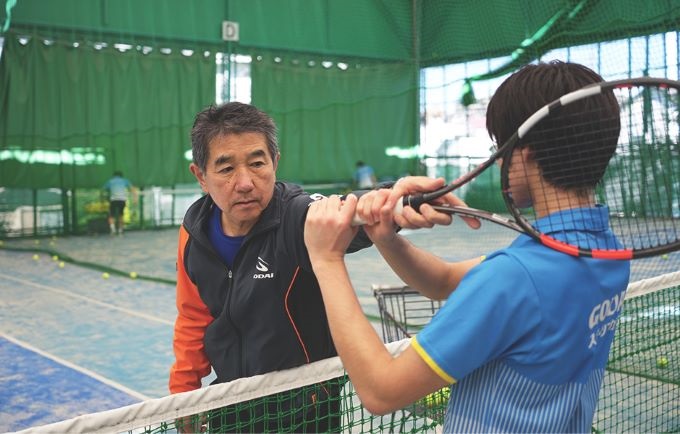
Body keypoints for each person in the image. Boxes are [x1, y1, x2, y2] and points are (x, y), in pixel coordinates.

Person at [303, 61, 631, 433]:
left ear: (525, 153)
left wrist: (326, 258)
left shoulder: (515, 278)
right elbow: (442, 281)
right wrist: (385, 238)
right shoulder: (607, 254)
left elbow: (381, 391)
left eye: (499, 146)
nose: (498, 159)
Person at [169, 102, 373, 433]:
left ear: (275, 162)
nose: (246, 182)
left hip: (306, 410)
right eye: (226, 169)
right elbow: (194, 316)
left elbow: (348, 216)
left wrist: (389, 205)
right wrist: (183, 392)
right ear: (201, 176)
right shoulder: (193, 234)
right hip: (229, 403)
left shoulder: (296, 218)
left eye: (257, 163)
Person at [102, 170, 135, 235]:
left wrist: (103, 198)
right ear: (121, 176)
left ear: (114, 176)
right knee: (121, 215)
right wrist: (135, 199)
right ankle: (120, 230)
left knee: (111, 215)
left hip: (113, 200)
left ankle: (113, 230)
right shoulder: (125, 180)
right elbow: (132, 189)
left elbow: (103, 189)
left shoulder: (110, 181)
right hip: (122, 200)